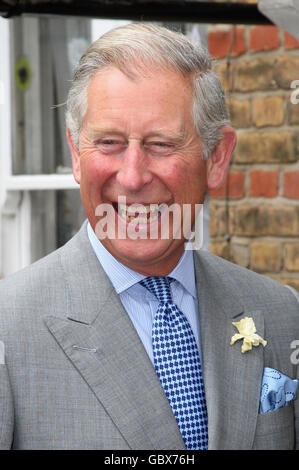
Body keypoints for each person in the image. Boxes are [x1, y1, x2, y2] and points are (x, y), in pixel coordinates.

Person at [0, 23, 298, 450]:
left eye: (160, 144)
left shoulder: (281, 311)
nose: (133, 176)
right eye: (109, 142)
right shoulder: (8, 327)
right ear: (75, 154)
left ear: (216, 158)